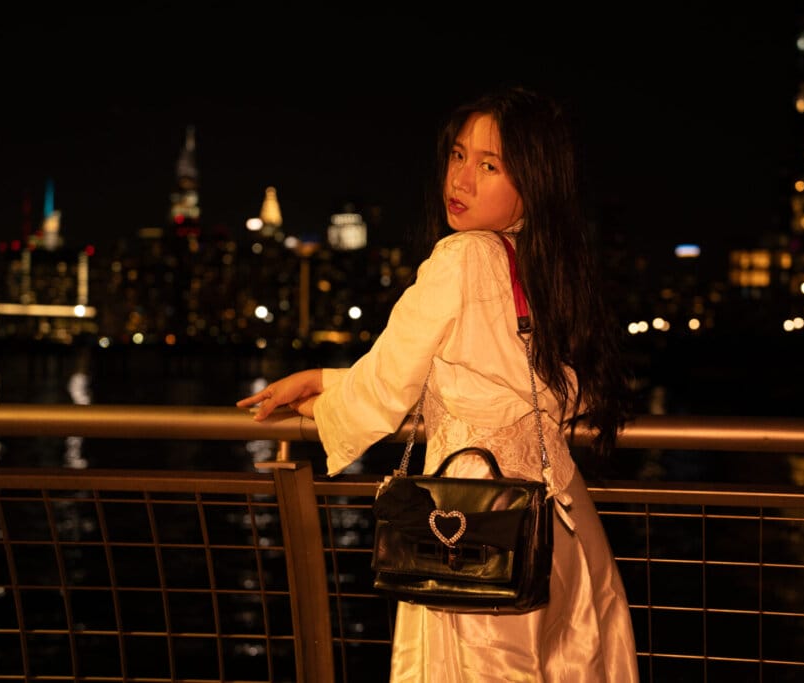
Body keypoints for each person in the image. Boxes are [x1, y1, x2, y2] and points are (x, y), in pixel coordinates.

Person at [237, 85, 639, 682]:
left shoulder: (462, 256)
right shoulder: (540, 263)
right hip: (551, 512)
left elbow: (389, 381)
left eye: (489, 165)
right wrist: (324, 378)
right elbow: (494, 375)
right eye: (457, 156)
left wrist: (321, 399)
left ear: (533, 181)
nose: (462, 179)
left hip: (472, 517)